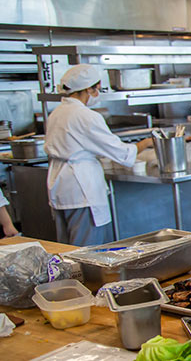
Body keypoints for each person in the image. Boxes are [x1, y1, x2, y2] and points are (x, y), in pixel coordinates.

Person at [45, 64, 153, 246]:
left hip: (60, 185)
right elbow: (122, 153)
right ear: (89, 88)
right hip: (82, 188)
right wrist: (146, 143)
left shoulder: (57, 112)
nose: (98, 93)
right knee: (87, 250)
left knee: (66, 248)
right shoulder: (85, 115)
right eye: (98, 88)